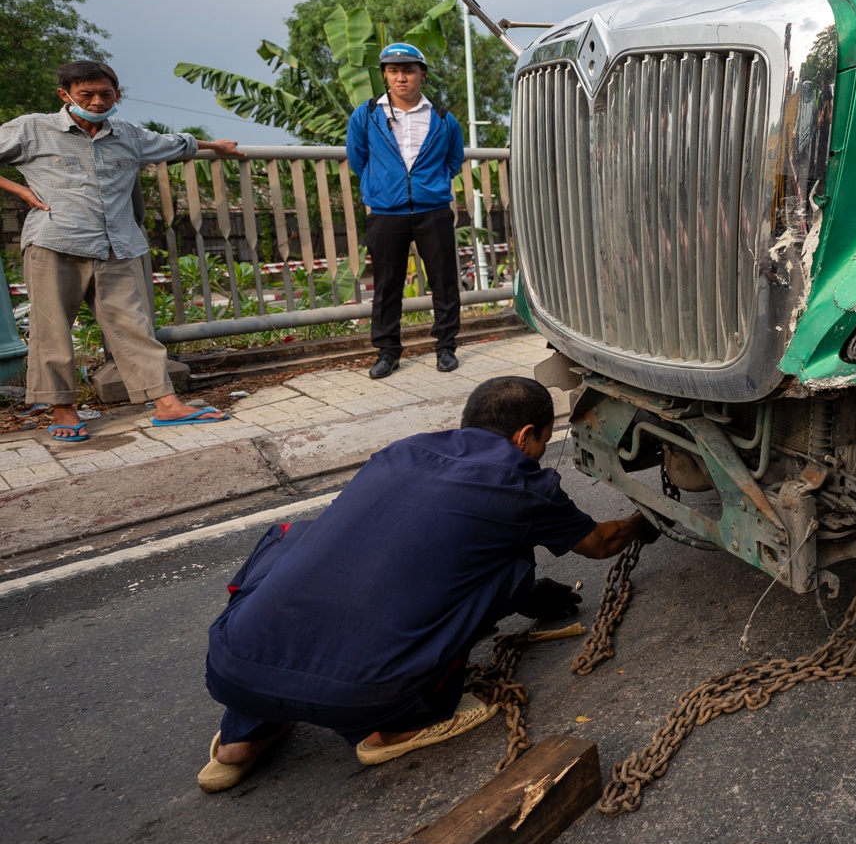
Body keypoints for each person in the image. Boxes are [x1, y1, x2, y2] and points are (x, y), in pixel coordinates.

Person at [198, 375, 658, 792]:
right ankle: (398, 726)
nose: (540, 451)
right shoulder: (521, 484)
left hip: (232, 667)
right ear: (525, 436)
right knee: (510, 563)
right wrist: (643, 521)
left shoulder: (403, 450)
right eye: (542, 439)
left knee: (298, 538)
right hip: (366, 696)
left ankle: (241, 738)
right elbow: (600, 543)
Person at [0, 61, 245, 442]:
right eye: (87, 94)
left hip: (116, 244)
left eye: (106, 94)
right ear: (65, 95)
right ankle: (63, 408)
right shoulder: (32, 128)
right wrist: (20, 191)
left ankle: (165, 404)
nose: (97, 101)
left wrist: (216, 146)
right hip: (55, 243)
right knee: (53, 331)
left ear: (116, 94)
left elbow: (177, 144)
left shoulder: (128, 135)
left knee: (134, 325)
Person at [346, 43, 467, 379]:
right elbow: (359, 158)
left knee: (444, 281)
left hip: (433, 210)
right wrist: (383, 186)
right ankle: (387, 352)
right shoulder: (367, 114)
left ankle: (445, 346)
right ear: (385, 75)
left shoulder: (443, 118)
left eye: (409, 70)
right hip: (387, 212)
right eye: (393, 71)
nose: (401, 77)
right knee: (387, 285)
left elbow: (453, 159)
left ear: (422, 75)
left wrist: (435, 183)